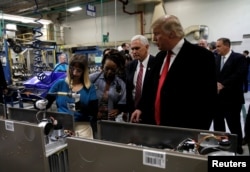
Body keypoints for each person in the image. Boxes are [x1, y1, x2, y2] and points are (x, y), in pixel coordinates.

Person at [130, 15, 217, 131]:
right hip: (155, 127)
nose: (154, 39)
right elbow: (151, 88)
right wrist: (141, 108)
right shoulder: (160, 57)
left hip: (183, 129)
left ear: (171, 34)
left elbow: (207, 100)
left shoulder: (201, 57)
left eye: (157, 34)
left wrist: (197, 134)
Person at [43, 54, 98, 139]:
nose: (74, 73)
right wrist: (39, 104)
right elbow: (46, 103)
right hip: (62, 128)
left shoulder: (90, 88)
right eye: (72, 69)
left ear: (84, 72)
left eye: (78, 70)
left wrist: (81, 106)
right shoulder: (59, 84)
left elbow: (94, 112)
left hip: (83, 129)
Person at [213, 38, 248, 154]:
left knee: (234, 124)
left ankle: (237, 146)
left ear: (227, 46)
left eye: (219, 46)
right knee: (218, 124)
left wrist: (223, 84)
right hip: (217, 99)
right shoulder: (217, 58)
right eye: (216, 46)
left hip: (232, 98)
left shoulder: (239, 58)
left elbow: (239, 74)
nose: (216, 49)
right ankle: (221, 144)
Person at [89, 49, 126, 121]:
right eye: (107, 68)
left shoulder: (121, 84)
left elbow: (123, 102)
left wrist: (118, 110)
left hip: (110, 122)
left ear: (118, 68)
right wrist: (93, 112)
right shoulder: (92, 78)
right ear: (103, 66)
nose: (109, 72)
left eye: (113, 69)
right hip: (91, 120)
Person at [126, 35, 155, 119]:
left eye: (137, 48)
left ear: (147, 47)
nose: (134, 52)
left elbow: (153, 91)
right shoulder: (131, 66)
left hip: (149, 112)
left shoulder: (156, 64)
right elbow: (129, 90)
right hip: (132, 112)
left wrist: (141, 108)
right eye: (132, 49)